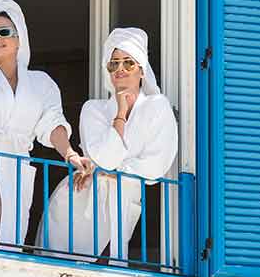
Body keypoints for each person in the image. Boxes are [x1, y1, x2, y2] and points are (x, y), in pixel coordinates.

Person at [0, 0, 87, 247]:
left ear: (19, 38)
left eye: (4, 31)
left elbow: (52, 123)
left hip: (13, 161)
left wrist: (71, 155)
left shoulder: (41, 83)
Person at [38, 27, 178, 262]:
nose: (120, 70)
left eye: (128, 63)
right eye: (114, 64)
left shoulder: (158, 107)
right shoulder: (93, 109)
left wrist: (113, 173)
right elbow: (106, 159)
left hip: (123, 203)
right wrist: (121, 114)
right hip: (77, 202)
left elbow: (156, 165)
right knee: (61, 269)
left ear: (142, 69)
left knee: (106, 266)